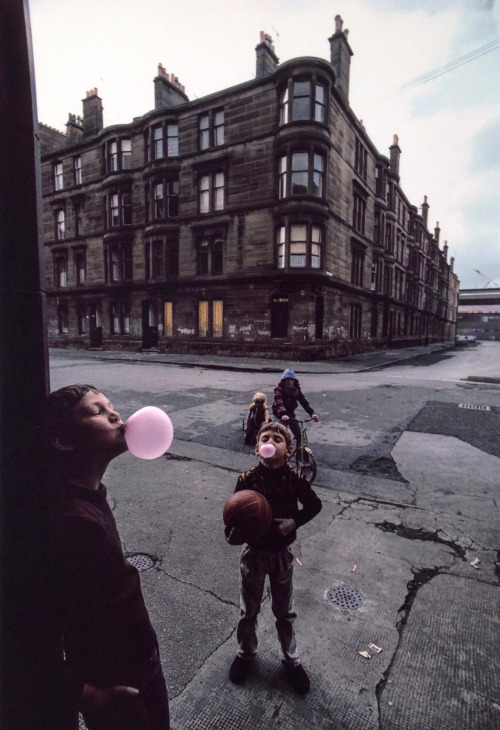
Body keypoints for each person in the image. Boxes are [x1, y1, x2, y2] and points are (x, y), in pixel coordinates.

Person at [9, 384, 170, 730]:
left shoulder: (84, 495)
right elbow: (30, 634)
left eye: (110, 406)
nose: (116, 414)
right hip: (123, 677)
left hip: (133, 662)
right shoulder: (74, 525)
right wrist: (93, 696)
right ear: (63, 441)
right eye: (97, 411)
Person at [225, 421, 322, 694]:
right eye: (265, 438)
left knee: (285, 612)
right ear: (257, 448)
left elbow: (315, 505)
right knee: (249, 610)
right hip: (254, 554)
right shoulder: (246, 480)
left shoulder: (295, 480)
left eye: (277, 439)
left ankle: (291, 660)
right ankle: (246, 653)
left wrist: (294, 521)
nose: (270, 441)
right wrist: (234, 533)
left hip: (281, 555)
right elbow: (234, 517)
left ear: (289, 450)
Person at [272, 368, 319, 445]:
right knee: (278, 434)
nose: (289, 382)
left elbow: (303, 401)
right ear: (283, 381)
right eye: (287, 380)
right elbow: (279, 401)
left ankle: (299, 453)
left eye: (291, 380)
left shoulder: (296, 390)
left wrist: (311, 413)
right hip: (280, 415)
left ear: (294, 381)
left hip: (291, 415)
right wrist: (283, 414)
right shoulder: (279, 389)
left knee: (299, 436)